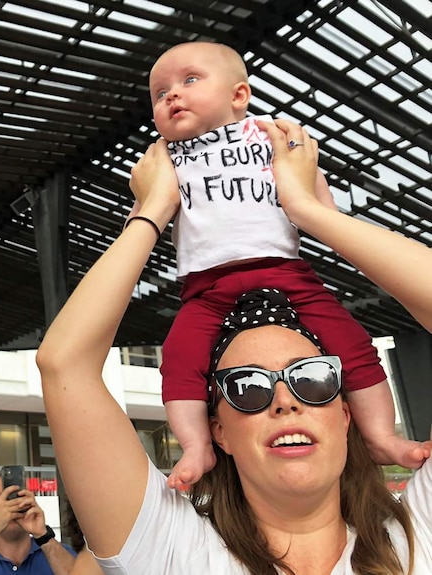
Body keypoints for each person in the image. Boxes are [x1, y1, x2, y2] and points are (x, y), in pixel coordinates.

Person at [35, 118, 432, 574]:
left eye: (313, 379)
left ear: (345, 414)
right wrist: (151, 212)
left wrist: (311, 212)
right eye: (247, 387)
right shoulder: (170, 549)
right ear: (217, 430)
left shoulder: (418, 533)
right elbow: (64, 364)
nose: (284, 401)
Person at [136, 41, 422, 487]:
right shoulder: (163, 156)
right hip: (204, 287)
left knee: (354, 345)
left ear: (238, 95)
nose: (171, 95)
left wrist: (324, 215)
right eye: (159, 92)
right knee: (178, 360)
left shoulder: (269, 134)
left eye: (189, 80)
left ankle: (382, 436)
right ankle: (196, 446)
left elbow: (310, 180)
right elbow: (146, 209)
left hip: (285, 270)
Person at [0, 475, 76, 575]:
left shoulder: (62, 553)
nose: (12, 505)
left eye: (18, 497)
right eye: (3, 499)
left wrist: (43, 535)